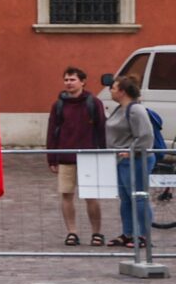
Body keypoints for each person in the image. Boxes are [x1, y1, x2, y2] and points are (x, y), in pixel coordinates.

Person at [48, 65, 109, 245]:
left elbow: (102, 129)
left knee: (91, 196)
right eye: (66, 79)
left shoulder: (93, 103)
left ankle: (96, 233)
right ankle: (72, 232)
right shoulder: (58, 105)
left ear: (82, 82)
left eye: (72, 79)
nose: (69, 83)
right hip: (66, 156)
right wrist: (51, 157)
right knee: (66, 195)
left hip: (89, 156)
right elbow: (52, 131)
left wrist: (103, 154)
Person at [107, 74, 153, 246]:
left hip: (136, 160)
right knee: (126, 199)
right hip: (121, 161)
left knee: (139, 197)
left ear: (122, 91)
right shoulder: (119, 109)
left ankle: (143, 235)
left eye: (113, 88)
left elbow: (146, 136)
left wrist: (131, 151)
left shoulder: (135, 110)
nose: (110, 90)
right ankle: (128, 233)